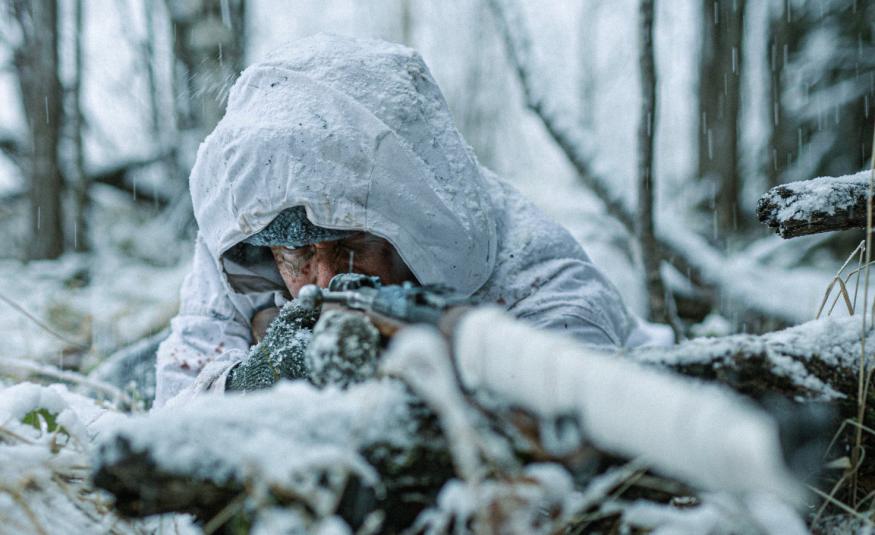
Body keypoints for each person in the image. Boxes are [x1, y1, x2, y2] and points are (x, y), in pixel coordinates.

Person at [154, 34, 652, 407]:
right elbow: (171, 417)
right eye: (299, 254)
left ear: (410, 224)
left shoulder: (535, 275)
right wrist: (251, 383)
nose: (324, 282)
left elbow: (587, 434)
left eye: (351, 242)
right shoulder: (247, 239)